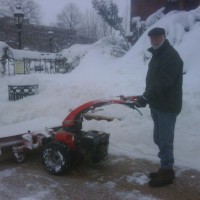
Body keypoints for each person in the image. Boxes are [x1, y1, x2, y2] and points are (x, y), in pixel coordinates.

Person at [135, 27, 183, 187]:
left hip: (167, 106)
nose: (155, 40)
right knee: (158, 138)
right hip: (157, 103)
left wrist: (146, 96)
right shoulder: (158, 54)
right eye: (152, 38)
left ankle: (166, 170)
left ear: (164, 37)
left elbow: (163, 81)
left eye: (158, 37)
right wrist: (145, 96)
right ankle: (165, 166)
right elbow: (153, 81)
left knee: (165, 140)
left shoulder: (171, 56)